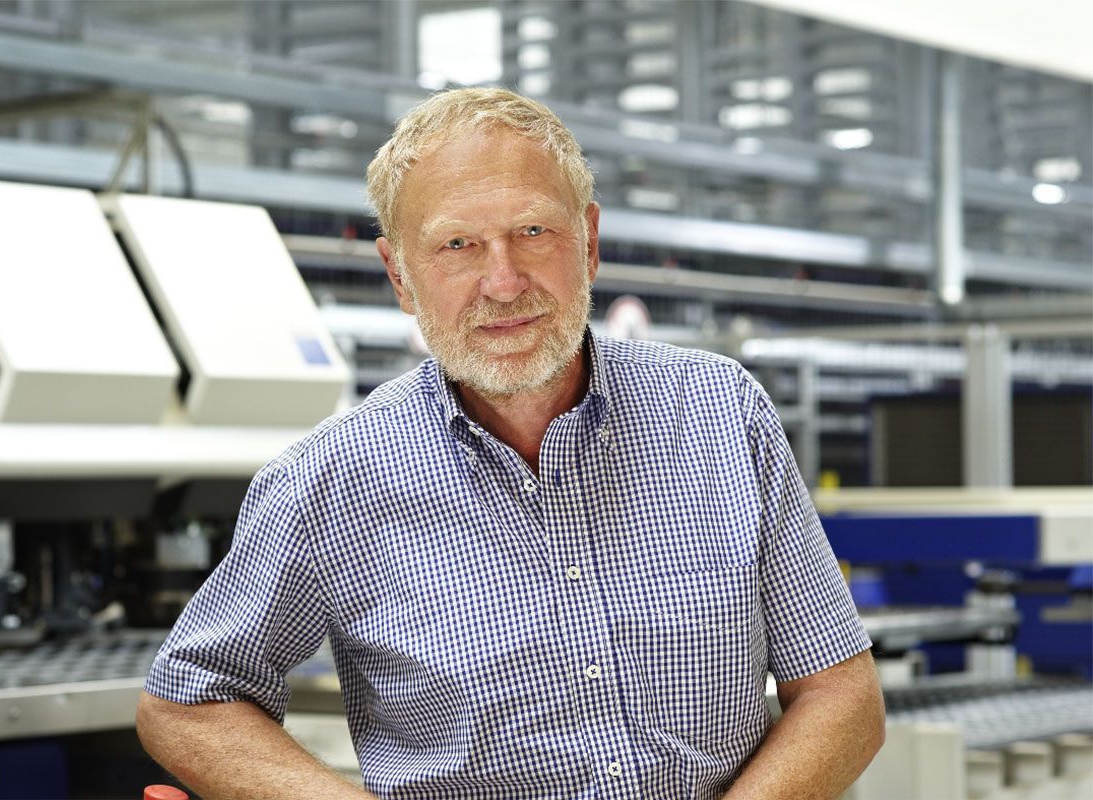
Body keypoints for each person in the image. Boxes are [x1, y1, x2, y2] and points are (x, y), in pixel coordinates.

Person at [137, 87, 885, 800]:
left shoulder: (721, 415)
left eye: (533, 232)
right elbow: (187, 703)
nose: (502, 281)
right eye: (457, 245)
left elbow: (841, 693)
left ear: (588, 242)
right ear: (400, 276)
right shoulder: (329, 482)